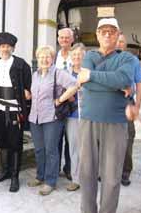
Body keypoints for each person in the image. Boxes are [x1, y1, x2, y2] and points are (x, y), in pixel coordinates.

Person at [77, 18, 135, 213]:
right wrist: (116, 85)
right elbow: (84, 83)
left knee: (111, 176)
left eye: (112, 31)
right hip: (89, 121)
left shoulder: (127, 59)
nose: (108, 34)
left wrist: (92, 75)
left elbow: (124, 78)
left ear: (118, 34)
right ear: (97, 35)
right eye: (103, 31)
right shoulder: (89, 56)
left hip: (116, 123)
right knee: (86, 173)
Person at [28, 45, 78, 196]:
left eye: (47, 56)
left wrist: (60, 99)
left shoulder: (58, 73)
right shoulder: (35, 75)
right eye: (41, 57)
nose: (44, 59)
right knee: (39, 149)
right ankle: (40, 176)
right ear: (38, 59)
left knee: (51, 150)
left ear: (52, 58)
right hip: (35, 117)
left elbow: (74, 85)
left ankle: (50, 181)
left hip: (52, 118)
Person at [0, 32, 31, 192]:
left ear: (13, 48)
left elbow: (28, 86)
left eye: (8, 47)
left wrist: (27, 93)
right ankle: (5, 171)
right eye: (2, 46)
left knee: (15, 143)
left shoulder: (21, 64)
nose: (5, 49)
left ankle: (14, 176)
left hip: (15, 109)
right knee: (2, 140)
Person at [116, 33, 141, 186]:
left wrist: (137, 106)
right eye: (117, 41)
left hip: (127, 102)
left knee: (127, 139)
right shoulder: (107, 58)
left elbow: (139, 85)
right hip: (109, 103)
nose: (119, 44)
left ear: (125, 45)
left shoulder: (133, 60)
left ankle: (125, 173)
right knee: (107, 139)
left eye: (122, 42)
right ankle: (107, 171)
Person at [65, 43, 86, 192]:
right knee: (74, 148)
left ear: (84, 56)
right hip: (72, 116)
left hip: (89, 116)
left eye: (79, 54)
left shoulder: (89, 72)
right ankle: (76, 178)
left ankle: (91, 175)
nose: (76, 57)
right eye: (74, 55)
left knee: (90, 148)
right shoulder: (65, 73)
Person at [55, 27, 74, 180]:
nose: (64, 40)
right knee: (56, 137)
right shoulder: (53, 56)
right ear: (58, 39)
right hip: (57, 102)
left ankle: (68, 168)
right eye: (61, 37)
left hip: (73, 102)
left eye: (67, 38)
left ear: (72, 39)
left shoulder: (77, 56)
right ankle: (54, 169)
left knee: (71, 138)